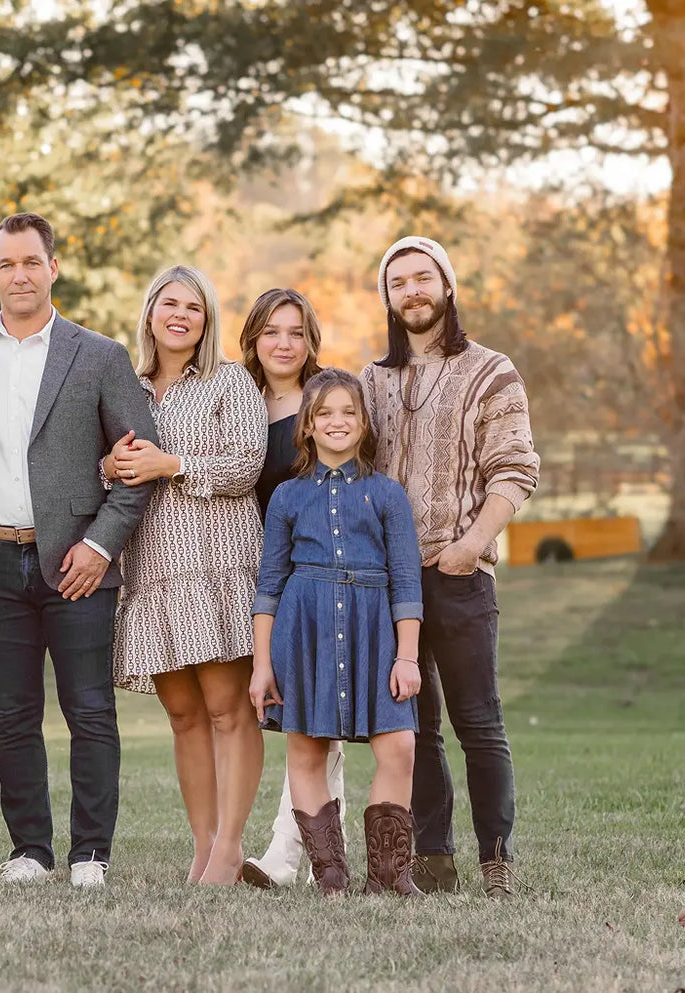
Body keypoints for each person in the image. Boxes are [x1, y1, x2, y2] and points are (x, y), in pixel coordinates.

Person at [0, 212, 158, 888]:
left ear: (52, 267)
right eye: (6, 263)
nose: (19, 275)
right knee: (11, 713)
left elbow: (138, 467)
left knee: (89, 709)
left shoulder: (97, 355)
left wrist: (100, 546)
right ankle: (30, 849)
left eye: (30, 262)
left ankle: (90, 852)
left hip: (77, 563)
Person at [361, 236, 540, 897]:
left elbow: (515, 468)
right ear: (386, 297)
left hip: (460, 573)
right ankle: (432, 857)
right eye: (397, 281)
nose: (410, 290)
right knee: (414, 726)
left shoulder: (491, 371)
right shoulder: (371, 381)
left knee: (478, 721)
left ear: (446, 286)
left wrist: (471, 543)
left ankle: (495, 857)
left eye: (421, 277)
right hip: (388, 584)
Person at [105, 265, 267, 886]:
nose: (180, 315)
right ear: (149, 313)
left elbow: (246, 467)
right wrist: (111, 464)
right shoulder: (128, 385)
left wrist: (170, 462)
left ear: (207, 321)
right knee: (183, 716)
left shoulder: (231, 382)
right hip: (152, 568)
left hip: (217, 564)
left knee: (228, 710)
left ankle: (230, 847)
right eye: (168, 304)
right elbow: (107, 467)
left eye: (193, 308)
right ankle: (202, 846)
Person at [248, 368, 425, 897]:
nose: (337, 421)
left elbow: (407, 580)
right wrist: (262, 665)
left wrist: (408, 656)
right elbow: (269, 585)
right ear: (307, 426)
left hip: (375, 631)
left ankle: (389, 877)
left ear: (365, 422)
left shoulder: (387, 495)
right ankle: (330, 875)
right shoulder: (286, 497)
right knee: (307, 750)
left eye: (349, 411)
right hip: (304, 630)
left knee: (399, 747)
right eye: (325, 412)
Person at [235, 288, 348, 890]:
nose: (284, 343)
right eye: (272, 331)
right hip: (259, 574)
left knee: (315, 714)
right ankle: (331, 845)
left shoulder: (327, 401)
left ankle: (285, 852)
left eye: (296, 332)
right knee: (298, 711)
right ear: (253, 338)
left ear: (311, 341)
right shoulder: (238, 400)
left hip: (324, 574)